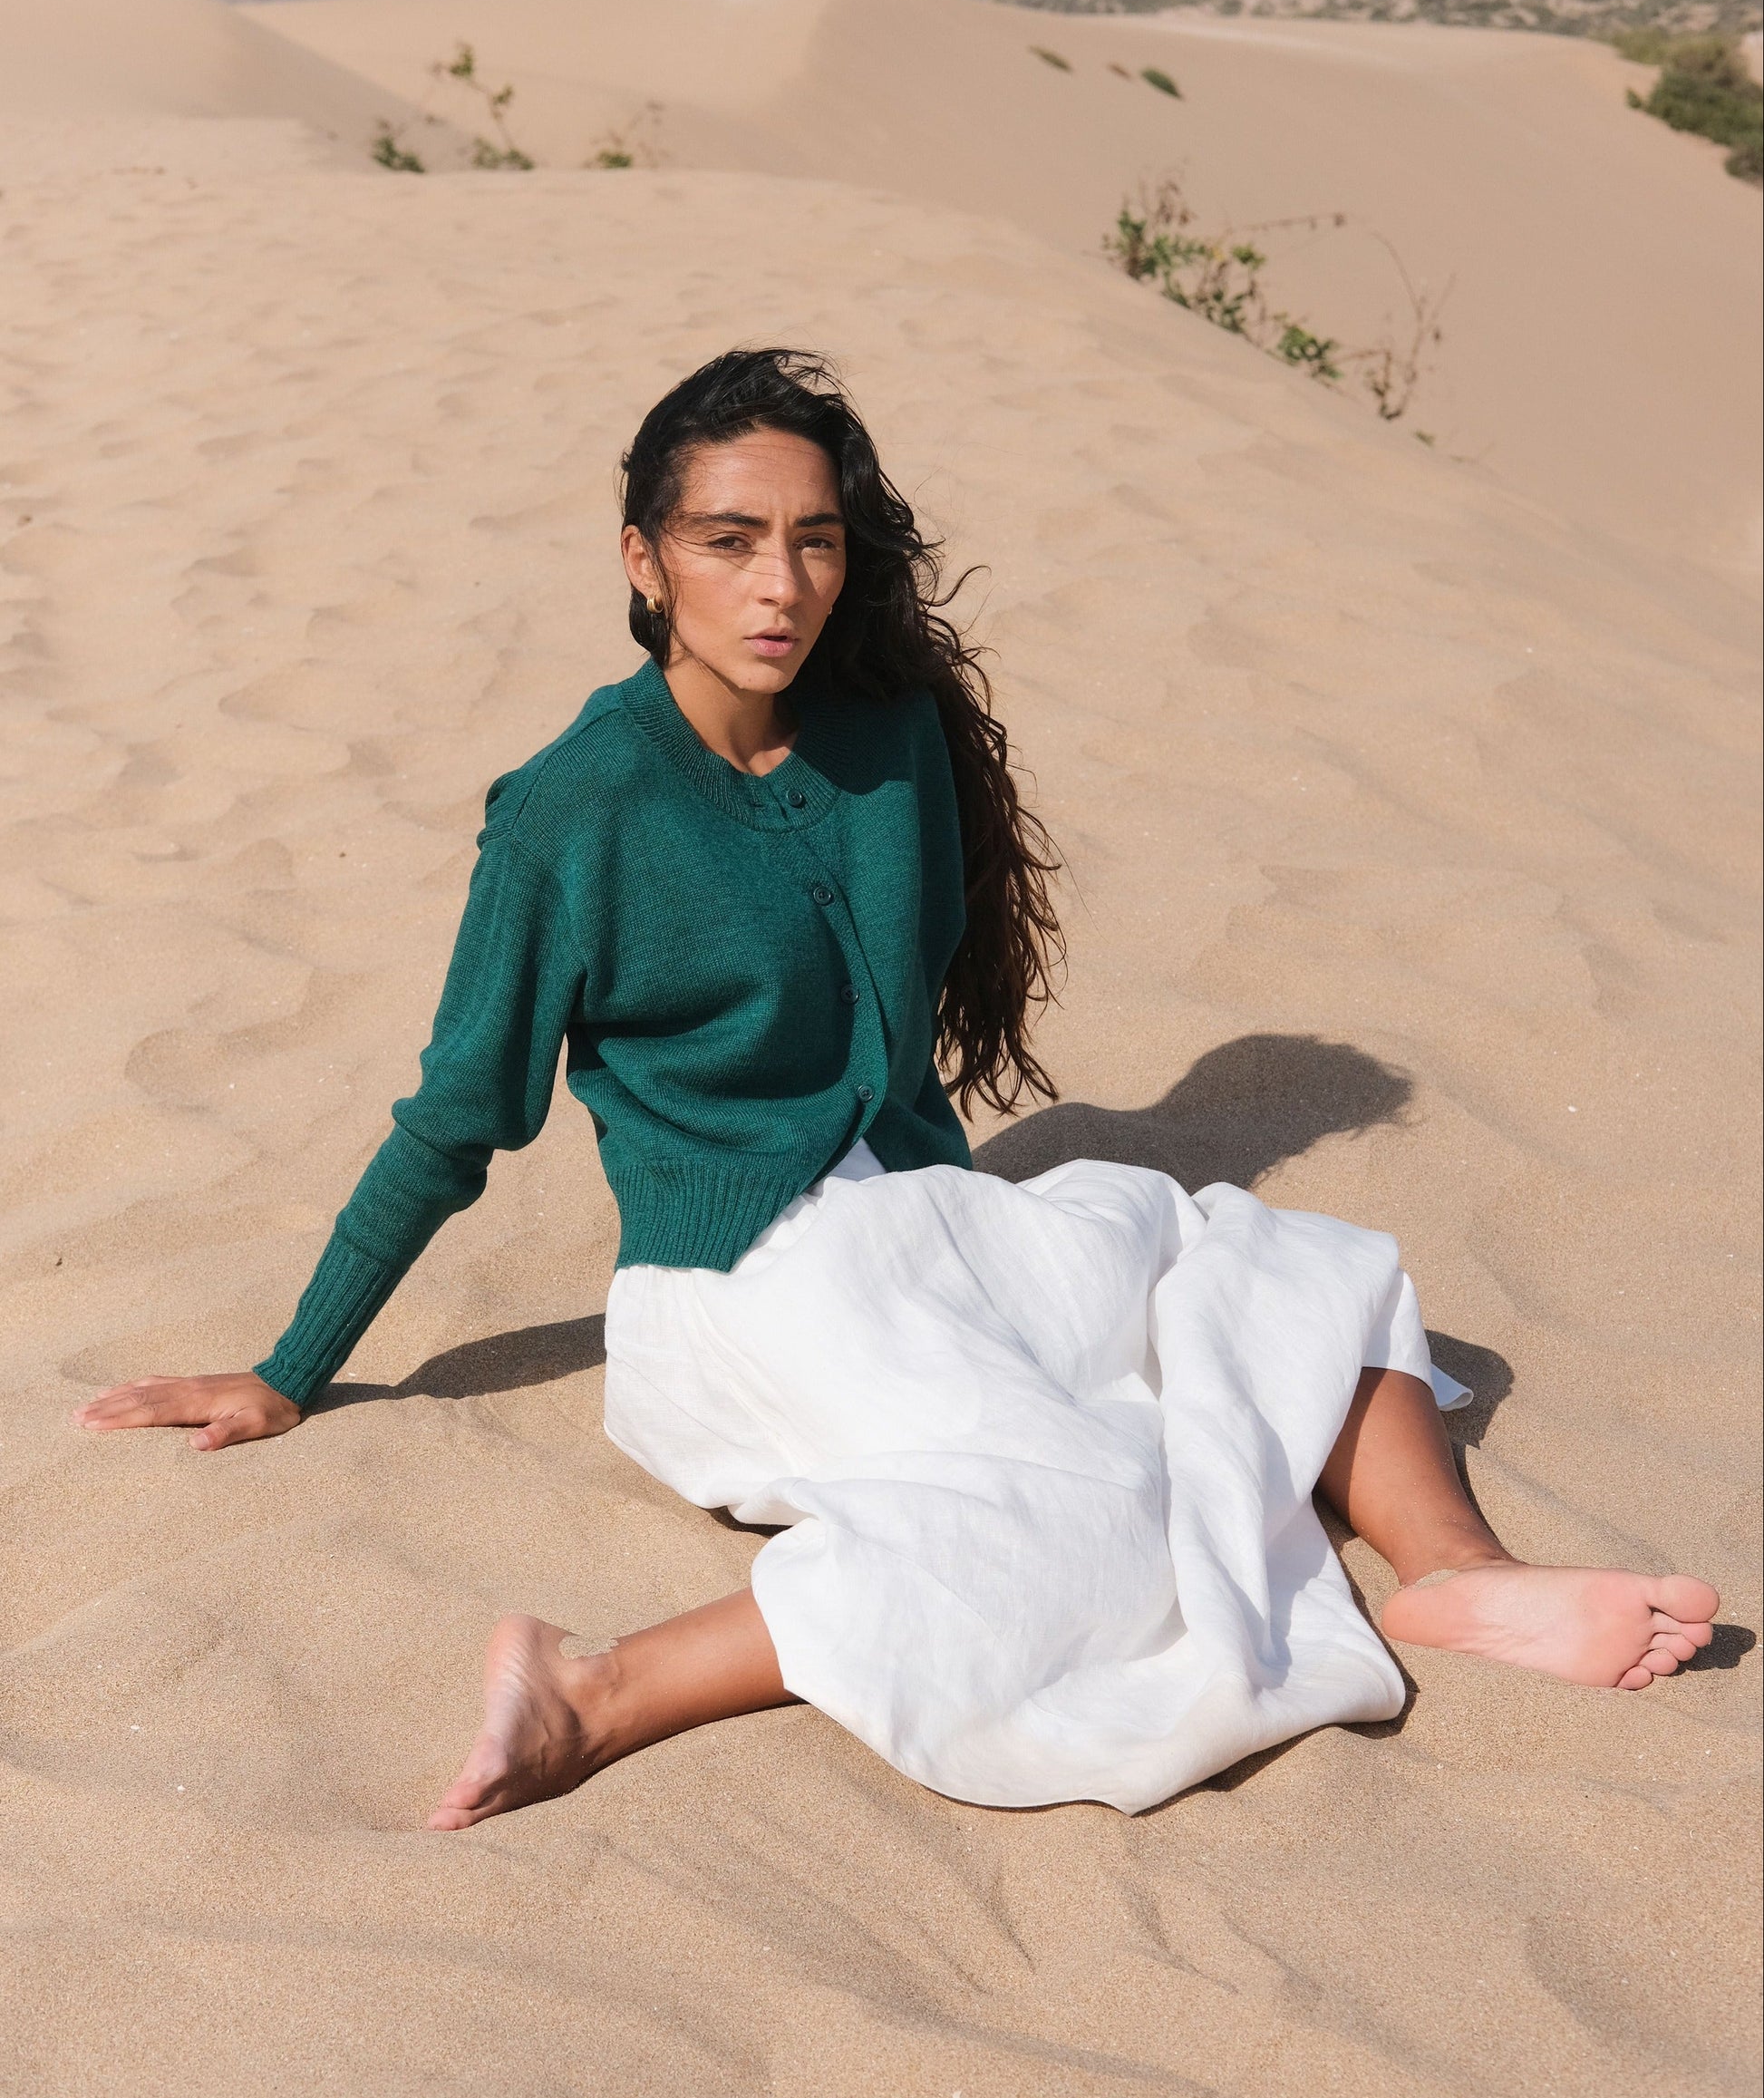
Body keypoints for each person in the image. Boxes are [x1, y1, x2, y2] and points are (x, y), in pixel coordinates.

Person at [76, 350, 1720, 1830]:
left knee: (1281, 1264)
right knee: (1088, 1499)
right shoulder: (569, 814)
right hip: (736, 1289)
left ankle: (1450, 1574)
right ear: (642, 562)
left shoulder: (887, 744)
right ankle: (600, 1686)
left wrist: (967, 1231)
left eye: (811, 537)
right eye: (725, 539)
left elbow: (902, 1031)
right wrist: (293, 1369)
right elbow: (458, 1117)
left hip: (924, 1226)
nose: (775, 581)